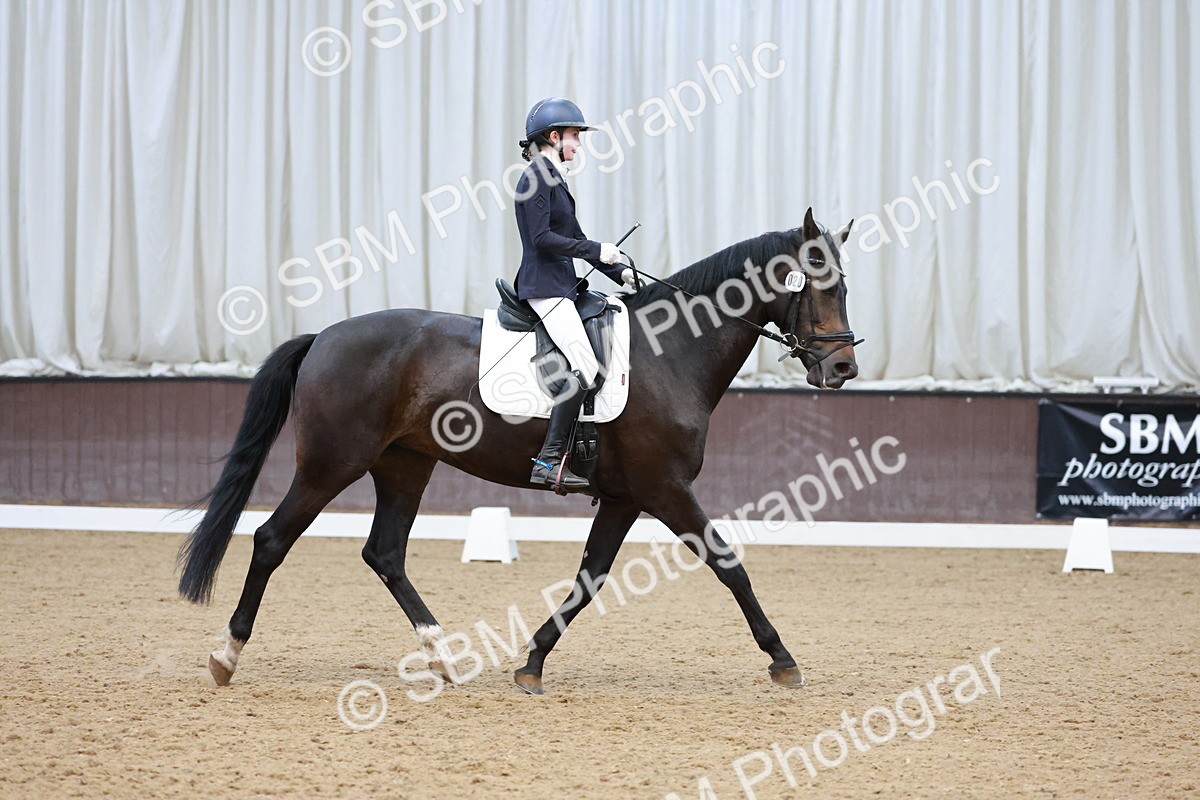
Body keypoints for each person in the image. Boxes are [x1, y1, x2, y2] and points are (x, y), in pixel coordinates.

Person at [513, 97, 638, 490]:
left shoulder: (555, 179)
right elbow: (542, 238)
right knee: (585, 365)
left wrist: (619, 272)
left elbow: (576, 238)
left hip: (560, 285)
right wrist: (597, 249)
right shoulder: (536, 177)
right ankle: (547, 461)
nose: (579, 145)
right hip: (545, 287)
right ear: (554, 137)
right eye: (575, 136)